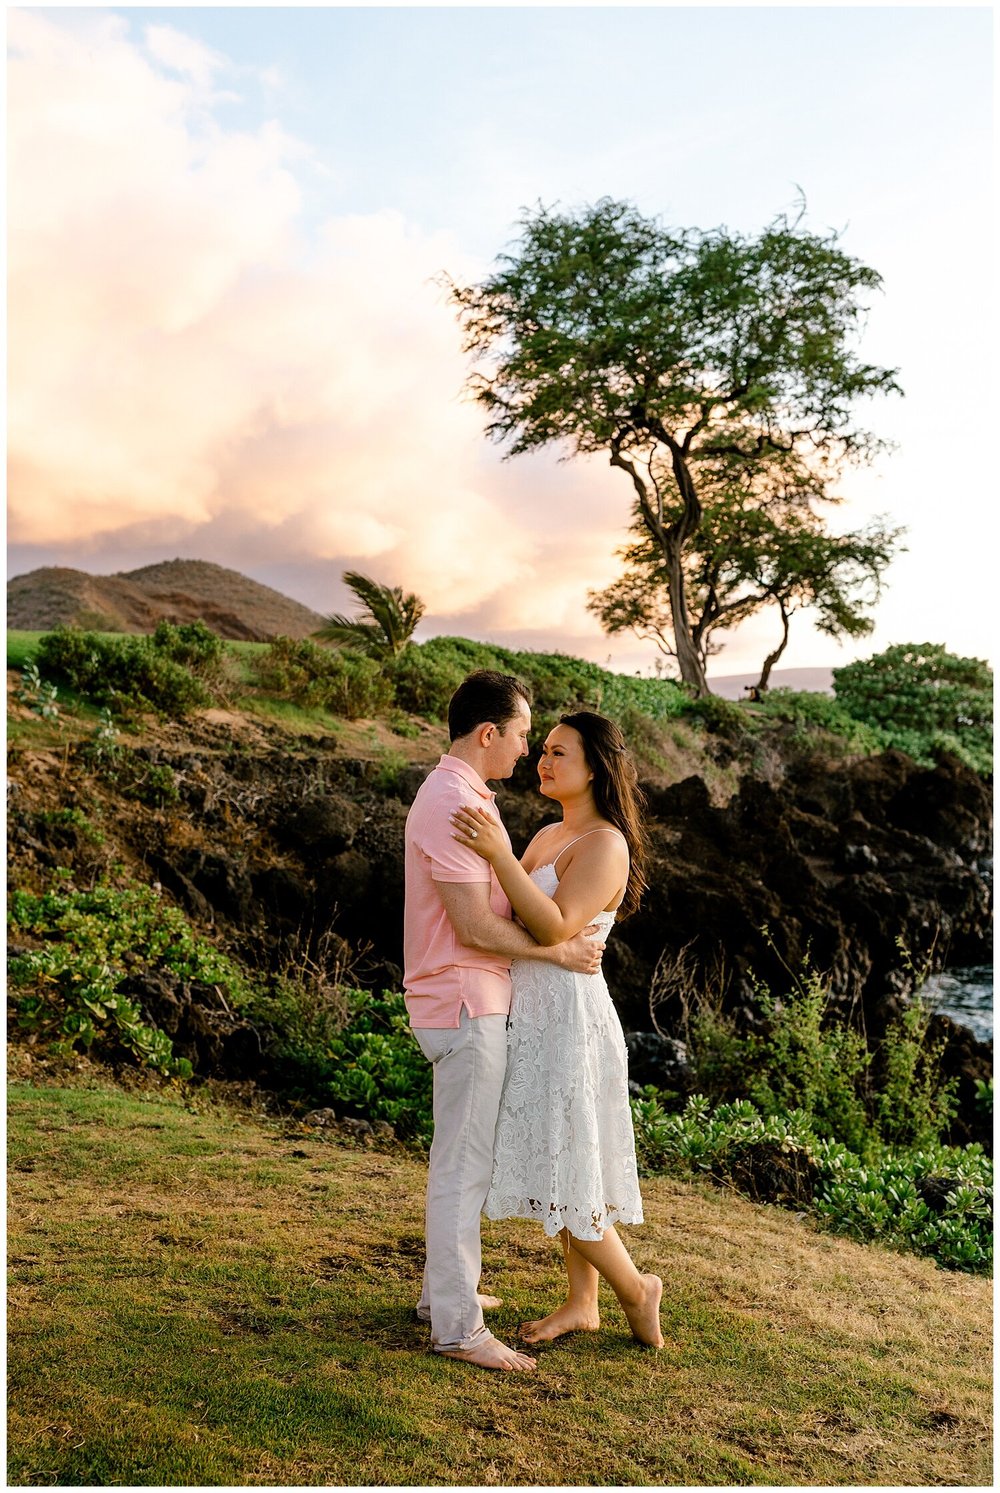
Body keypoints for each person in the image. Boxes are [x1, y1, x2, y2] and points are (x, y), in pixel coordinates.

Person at [404, 671, 605, 1372]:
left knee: (456, 1162)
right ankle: (458, 1327)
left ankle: (442, 1296)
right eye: (522, 734)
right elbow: (473, 926)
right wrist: (561, 948)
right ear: (489, 733)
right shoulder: (454, 801)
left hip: (464, 999)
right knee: (463, 1169)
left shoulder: (462, 796)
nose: (526, 750)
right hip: (464, 1002)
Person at [450, 709, 663, 1349]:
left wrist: (494, 852)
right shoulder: (546, 834)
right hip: (535, 1010)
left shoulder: (605, 844)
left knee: (571, 1164)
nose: (542, 761)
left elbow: (552, 926)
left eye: (559, 753)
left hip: (572, 1019)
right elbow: (513, 913)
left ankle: (636, 1289)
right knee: (560, 1160)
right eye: (541, 749)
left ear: (595, 767)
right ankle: (582, 1301)